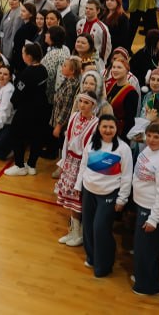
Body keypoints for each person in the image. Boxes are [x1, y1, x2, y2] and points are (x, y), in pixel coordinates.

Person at [75, 113, 133, 279]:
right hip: (88, 191)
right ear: (99, 128)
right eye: (104, 127)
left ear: (116, 129)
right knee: (87, 227)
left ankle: (104, 266)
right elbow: (83, 165)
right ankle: (92, 258)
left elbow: (127, 176)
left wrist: (122, 199)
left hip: (109, 194)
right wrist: (79, 185)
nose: (108, 130)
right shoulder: (91, 144)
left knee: (100, 229)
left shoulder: (123, 149)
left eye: (111, 127)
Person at [130, 122, 159, 297]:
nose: (151, 140)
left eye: (156, 137)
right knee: (141, 247)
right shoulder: (148, 150)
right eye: (149, 136)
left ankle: (149, 286)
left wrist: (154, 219)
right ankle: (142, 277)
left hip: (151, 209)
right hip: (141, 203)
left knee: (147, 249)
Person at [54, 90, 98, 248]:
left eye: (86, 103)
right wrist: (63, 161)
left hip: (82, 164)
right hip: (70, 162)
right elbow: (67, 141)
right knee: (69, 199)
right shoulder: (73, 117)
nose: (82, 105)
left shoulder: (96, 123)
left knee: (78, 200)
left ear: (93, 105)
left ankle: (79, 233)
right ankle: (73, 230)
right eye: (81, 101)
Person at [4, 43, 50, 176]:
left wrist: (14, 103)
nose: (22, 55)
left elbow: (17, 96)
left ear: (29, 56)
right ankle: (31, 165)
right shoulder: (43, 69)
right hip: (42, 108)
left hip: (27, 110)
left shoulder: (27, 73)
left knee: (16, 134)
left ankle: (19, 165)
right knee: (37, 137)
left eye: (23, 53)